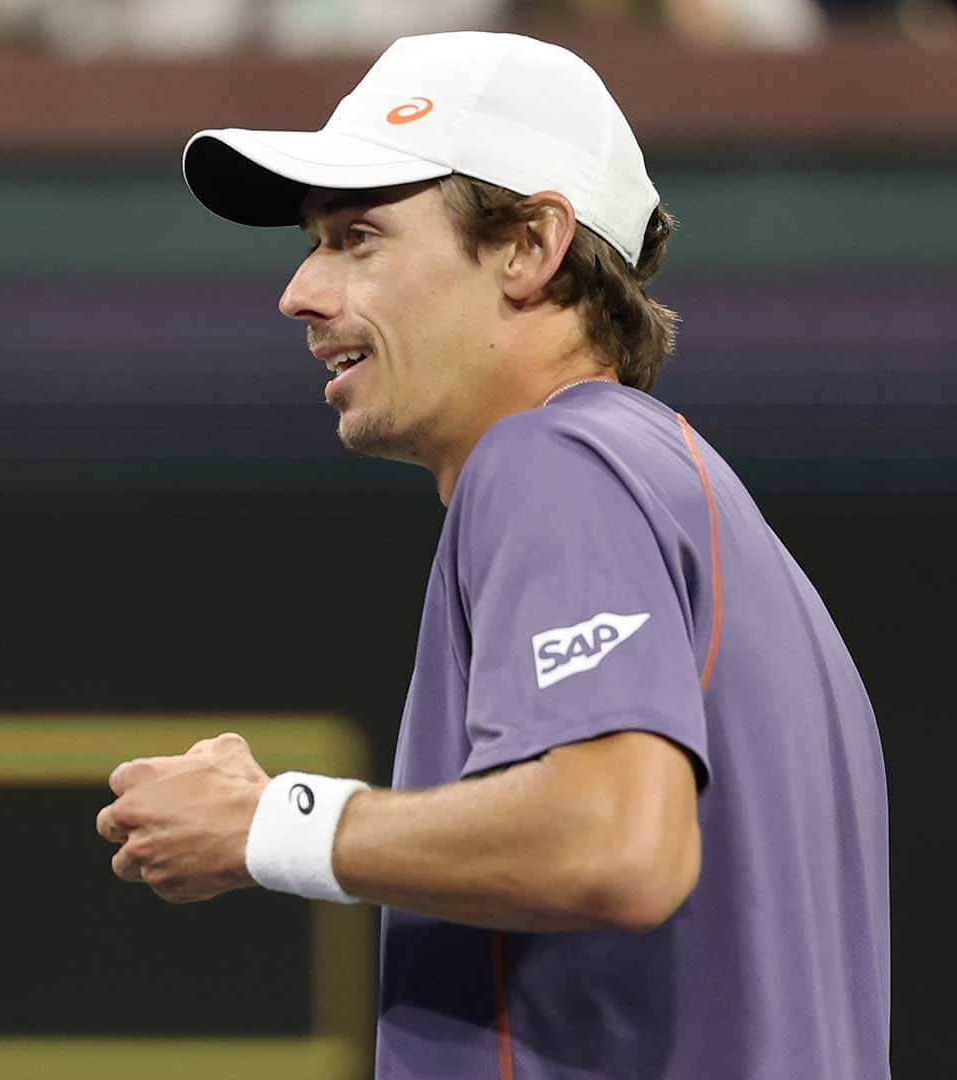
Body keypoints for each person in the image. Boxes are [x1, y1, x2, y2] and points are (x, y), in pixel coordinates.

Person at [95, 31, 887, 1079]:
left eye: (358, 237)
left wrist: (268, 823)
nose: (301, 291)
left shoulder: (554, 461)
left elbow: (616, 843)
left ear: (529, 245)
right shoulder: (689, 499)